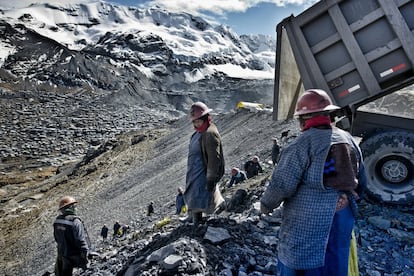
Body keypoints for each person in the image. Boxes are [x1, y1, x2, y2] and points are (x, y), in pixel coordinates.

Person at [260, 89, 367, 276]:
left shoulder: (302, 144)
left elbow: (282, 184)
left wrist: (266, 205)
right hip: (343, 215)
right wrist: (348, 198)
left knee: (305, 263)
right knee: (336, 261)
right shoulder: (348, 139)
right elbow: (362, 179)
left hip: (310, 219)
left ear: (305, 119)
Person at [183, 101, 225, 225]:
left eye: (198, 121)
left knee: (200, 196)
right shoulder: (198, 133)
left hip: (202, 172)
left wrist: (211, 179)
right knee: (193, 194)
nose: (196, 124)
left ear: (206, 118)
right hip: (195, 170)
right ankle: (193, 217)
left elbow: (214, 158)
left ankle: (198, 223)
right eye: (194, 122)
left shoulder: (210, 134)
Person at [53, 196, 90, 276]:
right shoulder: (75, 221)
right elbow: (80, 240)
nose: (76, 208)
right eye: (74, 206)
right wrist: (85, 255)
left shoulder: (57, 220)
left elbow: (56, 238)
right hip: (75, 255)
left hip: (64, 255)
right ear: (71, 207)